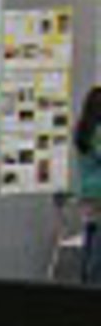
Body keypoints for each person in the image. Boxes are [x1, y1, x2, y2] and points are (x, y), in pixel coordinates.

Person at [74, 87, 101, 285]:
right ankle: (93, 281)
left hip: (86, 191)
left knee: (89, 236)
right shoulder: (99, 132)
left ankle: (84, 280)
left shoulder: (81, 130)